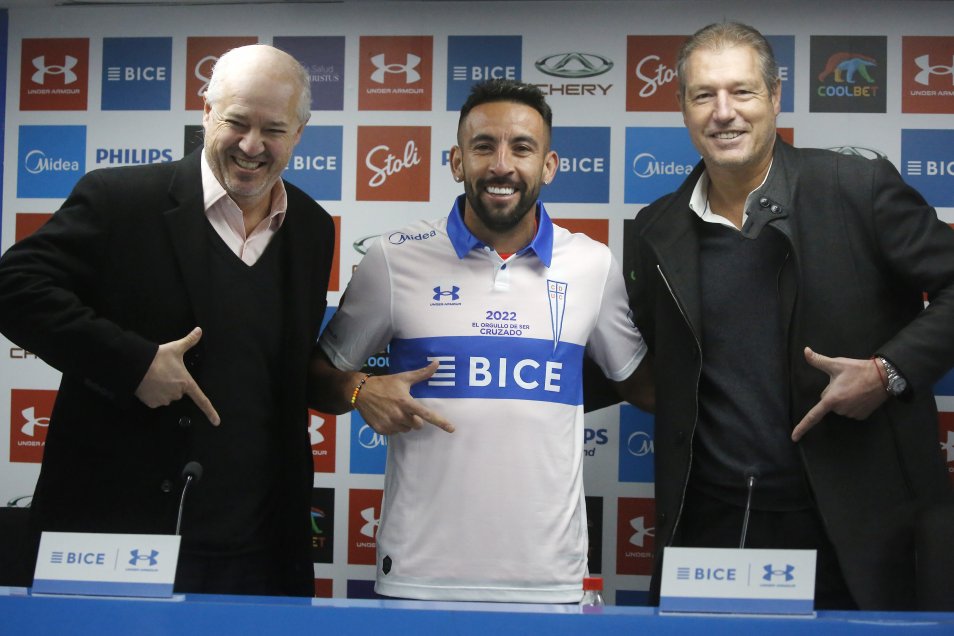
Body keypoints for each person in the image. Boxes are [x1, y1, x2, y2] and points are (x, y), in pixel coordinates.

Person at [626, 22, 954, 610]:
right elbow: (637, 358)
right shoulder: (657, 227)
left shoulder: (856, 186)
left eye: (742, 91)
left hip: (855, 527)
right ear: (682, 107)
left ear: (775, 96)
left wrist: (887, 372)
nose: (723, 112)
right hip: (712, 528)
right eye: (703, 95)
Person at [0, 44, 336, 596]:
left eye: (273, 129)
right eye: (237, 122)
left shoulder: (312, 226)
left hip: (260, 546)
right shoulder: (121, 199)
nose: (252, 145)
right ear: (207, 113)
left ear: (298, 134)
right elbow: (14, 287)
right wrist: (133, 364)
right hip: (120, 538)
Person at [309, 79, 653, 602]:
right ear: (456, 161)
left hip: (549, 579)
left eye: (522, 148)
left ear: (549, 166)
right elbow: (316, 378)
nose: (501, 165)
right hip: (419, 575)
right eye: (484, 146)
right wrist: (359, 389)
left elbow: (644, 386)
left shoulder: (592, 264)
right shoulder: (393, 259)